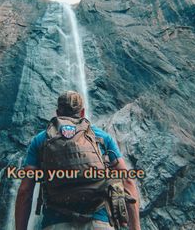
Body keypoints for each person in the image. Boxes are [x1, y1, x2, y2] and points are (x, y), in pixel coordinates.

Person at [15, 91, 141, 230]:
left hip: (56, 223)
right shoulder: (102, 138)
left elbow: (25, 191)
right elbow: (128, 181)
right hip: (99, 222)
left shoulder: (40, 140)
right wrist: (135, 227)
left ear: (57, 113)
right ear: (82, 113)